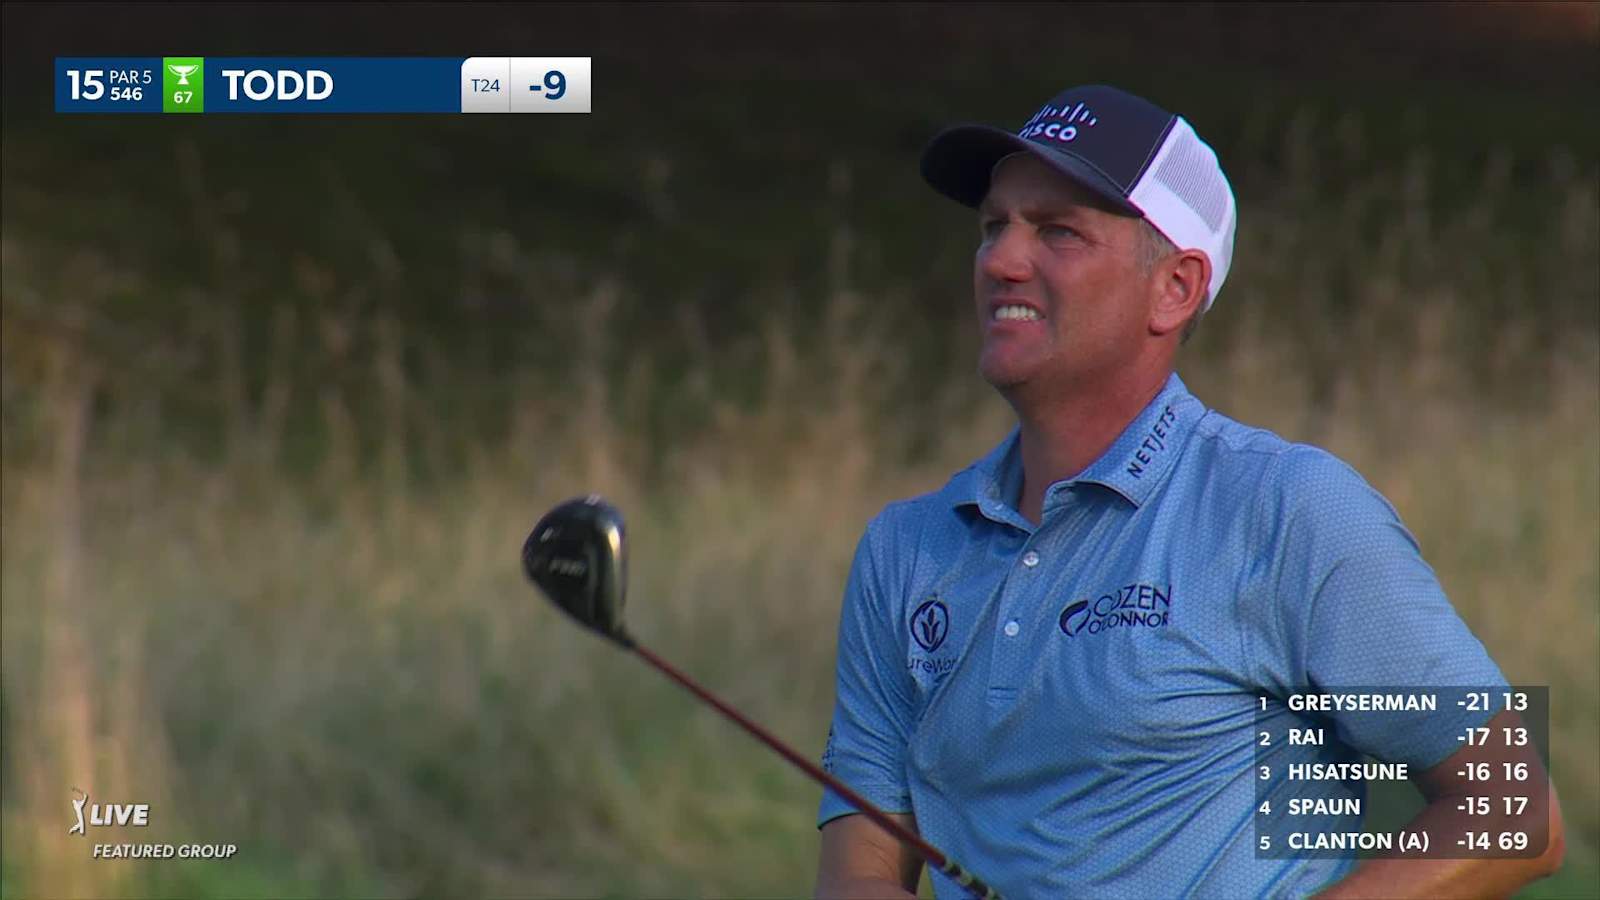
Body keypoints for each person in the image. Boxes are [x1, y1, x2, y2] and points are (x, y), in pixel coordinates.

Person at [813, 84, 1565, 899]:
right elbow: (861, 865)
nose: (1000, 260)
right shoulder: (906, 549)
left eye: (1058, 231)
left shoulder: (1288, 511)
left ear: (1175, 287)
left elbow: (1514, 809)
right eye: (994, 226)